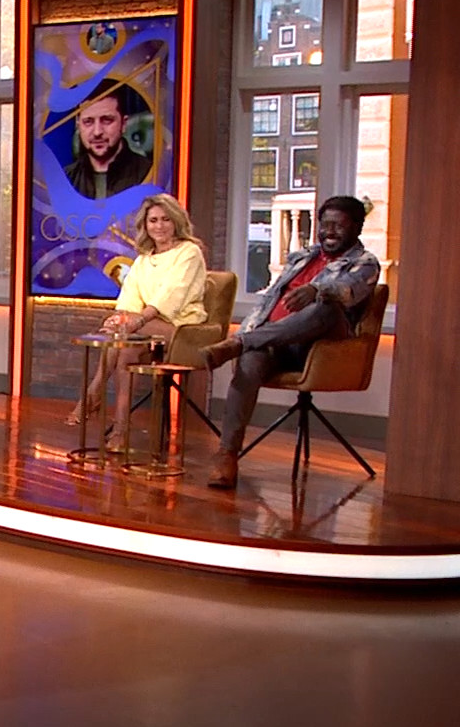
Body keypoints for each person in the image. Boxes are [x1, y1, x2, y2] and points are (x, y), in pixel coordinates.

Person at [201, 195, 380, 489]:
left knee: (325, 306)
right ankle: (227, 455)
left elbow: (348, 291)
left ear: (357, 228)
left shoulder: (365, 262)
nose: (329, 232)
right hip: (278, 342)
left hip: (319, 347)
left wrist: (316, 289)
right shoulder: (301, 257)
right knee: (250, 359)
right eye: (325, 224)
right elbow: (269, 300)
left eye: (339, 226)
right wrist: (253, 328)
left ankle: (238, 343)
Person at [67, 195, 208, 441]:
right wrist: (120, 319)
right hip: (145, 327)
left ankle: (92, 394)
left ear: (176, 221)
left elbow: (172, 294)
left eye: (165, 219)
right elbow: (130, 296)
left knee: (122, 335)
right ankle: (120, 430)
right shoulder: (144, 259)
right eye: (153, 220)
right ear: (145, 225)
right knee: (125, 352)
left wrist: (136, 321)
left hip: (183, 328)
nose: (159, 225)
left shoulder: (189, 252)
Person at [63, 79, 150, 200]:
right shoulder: (66, 180)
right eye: (88, 122)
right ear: (78, 125)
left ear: (123, 124)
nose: (97, 132)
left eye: (107, 120)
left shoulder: (148, 173)